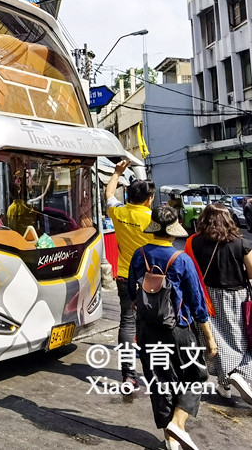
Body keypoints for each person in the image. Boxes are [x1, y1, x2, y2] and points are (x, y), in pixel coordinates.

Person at [128, 206, 217, 450]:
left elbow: (131, 293)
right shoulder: (181, 260)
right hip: (178, 330)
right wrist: (209, 338)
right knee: (196, 375)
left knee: (160, 382)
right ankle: (177, 425)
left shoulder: (139, 255)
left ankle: (170, 439)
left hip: (147, 329)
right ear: (173, 230)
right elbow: (197, 303)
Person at [188, 203, 252, 406]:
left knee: (215, 340)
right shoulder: (240, 242)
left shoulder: (195, 242)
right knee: (241, 336)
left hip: (208, 296)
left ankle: (225, 382)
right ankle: (236, 373)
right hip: (237, 295)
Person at [104, 159, 157, 391]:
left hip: (125, 276)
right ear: (148, 199)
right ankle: (155, 371)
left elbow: (108, 194)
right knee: (153, 325)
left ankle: (128, 375)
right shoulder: (153, 220)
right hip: (151, 281)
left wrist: (117, 173)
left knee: (126, 323)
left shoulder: (119, 212)